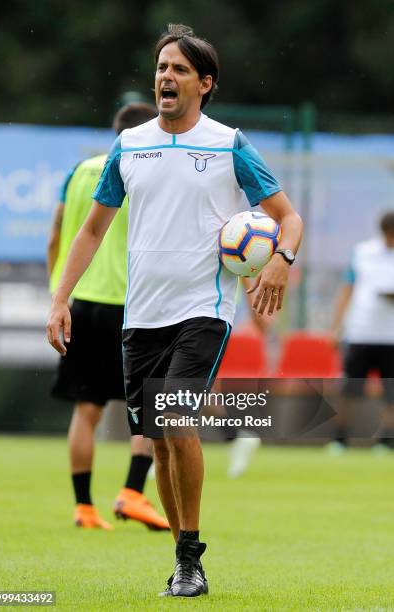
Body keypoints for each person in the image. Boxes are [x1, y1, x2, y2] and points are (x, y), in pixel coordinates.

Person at [47, 24, 303, 598]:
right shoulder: (129, 145)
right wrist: (59, 299)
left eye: (180, 70)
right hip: (140, 317)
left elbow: (289, 217)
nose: (167, 77)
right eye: (162, 68)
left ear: (205, 84)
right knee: (159, 438)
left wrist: (281, 259)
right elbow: (90, 231)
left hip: (203, 309)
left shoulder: (228, 143)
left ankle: (192, 556)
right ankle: (181, 560)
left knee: (177, 420)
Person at [48, 102, 170, 531]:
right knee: (152, 404)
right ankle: (133, 493)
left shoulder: (80, 170)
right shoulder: (144, 166)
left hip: (81, 301)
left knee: (87, 407)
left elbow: (57, 233)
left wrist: (58, 295)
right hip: (131, 303)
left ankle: (84, 507)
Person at [330, 211, 394, 451]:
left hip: (391, 335)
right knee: (350, 388)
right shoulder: (363, 252)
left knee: (391, 391)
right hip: (361, 332)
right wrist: (336, 327)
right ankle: (339, 438)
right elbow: (346, 290)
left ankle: (387, 440)